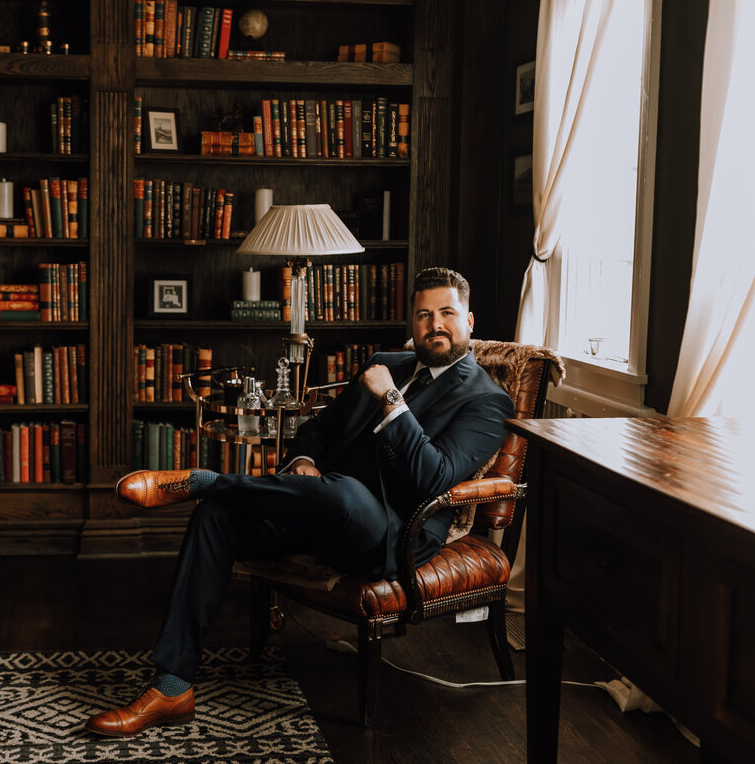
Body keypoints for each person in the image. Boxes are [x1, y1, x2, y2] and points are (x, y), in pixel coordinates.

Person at [85, 267, 514, 737]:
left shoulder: (486, 400)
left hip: (391, 531)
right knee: (217, 517)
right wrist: (304, 459)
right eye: (424, 314)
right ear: (411, 323)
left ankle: (205, 480)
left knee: (345, 493)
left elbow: (433, 476)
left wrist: (391, 399)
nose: (435, 324)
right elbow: (318, 429)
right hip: (317, 505)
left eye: (447, 313)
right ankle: (172, 686)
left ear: (469, 322)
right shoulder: (385, 361)